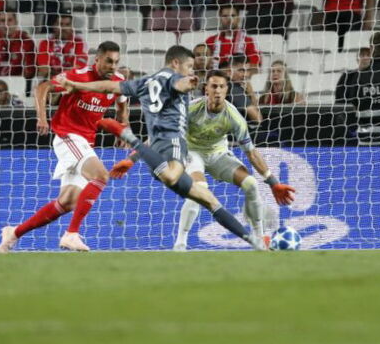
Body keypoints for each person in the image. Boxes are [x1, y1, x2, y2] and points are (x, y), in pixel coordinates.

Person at [56, 45, 295, 251]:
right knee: (176, 177)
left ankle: (253, 239)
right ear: (175, 63)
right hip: (178, 148)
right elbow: (177, 83)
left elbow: (110, 86)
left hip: (189, 150)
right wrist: (186, 83)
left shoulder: (145, 82)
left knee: (210, 200)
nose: (192, 72)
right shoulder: (175, 81)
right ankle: (131, 138)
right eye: (189, 66)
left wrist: (75, 85)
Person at [0, 41, 128, 253]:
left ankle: (14, 233)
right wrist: (42, 117)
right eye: (108, 61)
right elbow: (43, 87)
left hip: (85, 142)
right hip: (68, 135)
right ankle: (72, 234)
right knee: (101, 175)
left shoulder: (118, 81)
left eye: (116, 62)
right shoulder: (78, 75)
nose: (112, 66)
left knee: (67, 202)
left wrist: (124, 128)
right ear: (97, 60)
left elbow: (122, 105)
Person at [166, 70, 285, 251]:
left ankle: (260, 238)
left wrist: (273, 181)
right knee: (199, 189)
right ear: (206, 89)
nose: (218, 90)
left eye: (221, 87)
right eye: (214, 86)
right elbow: (167, 130)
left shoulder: (235, 117)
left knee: (251, 184)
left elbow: (251, 152)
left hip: (218, 154)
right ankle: (180, 243)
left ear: (227, 90)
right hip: (193, 153)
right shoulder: (191, 108)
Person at [0, 12, 37, 78]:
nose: (6, 24)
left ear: (16, 22)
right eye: (2, 21)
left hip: (19, 85)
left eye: (10, 20)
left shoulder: (27, 42)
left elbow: (30, 73)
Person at [36, 14, 88, 79]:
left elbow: (78, 68)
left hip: (73, 81)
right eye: (60, 24)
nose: (63, 28)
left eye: (67, 24)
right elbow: (43, 70)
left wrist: (56, 74)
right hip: (50, 81)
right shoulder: (45, 43)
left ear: (72, 27)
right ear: (54, 26)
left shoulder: (79, 42)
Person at [226, 55, 262, 123]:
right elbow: (258, 118)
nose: (245, 75)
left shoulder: (228, 85)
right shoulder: (235, 90)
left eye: (247, 70)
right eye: (241, 70)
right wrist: (251, 92)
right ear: (229, 71)